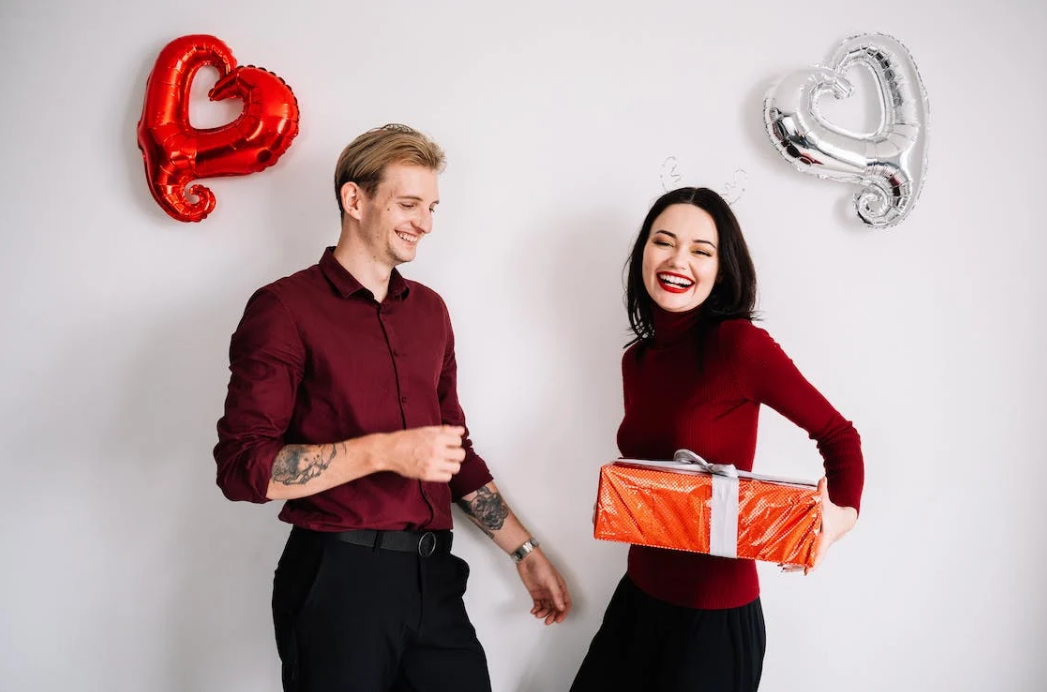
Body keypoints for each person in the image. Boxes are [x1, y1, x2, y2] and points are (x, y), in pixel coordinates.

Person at [214, 123, 571, 692]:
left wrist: (524, 552)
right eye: (408, 204)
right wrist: (384, 451)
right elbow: (242, 468)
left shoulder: (430, 313)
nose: (425, 224)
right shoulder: (283, 308)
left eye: (431, 207)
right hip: (337, 580)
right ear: (354, 199)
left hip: (434, 578)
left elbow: (456, 452)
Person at [570, 187, 864, 692]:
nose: (678, 260)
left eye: (701, 250)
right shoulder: (636, 360)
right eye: (663, 242)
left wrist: (840, 518)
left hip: (712, 622)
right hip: (637, 598)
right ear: (643, 253)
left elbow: (839, 436)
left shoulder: (738, 346)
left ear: (722, 270)